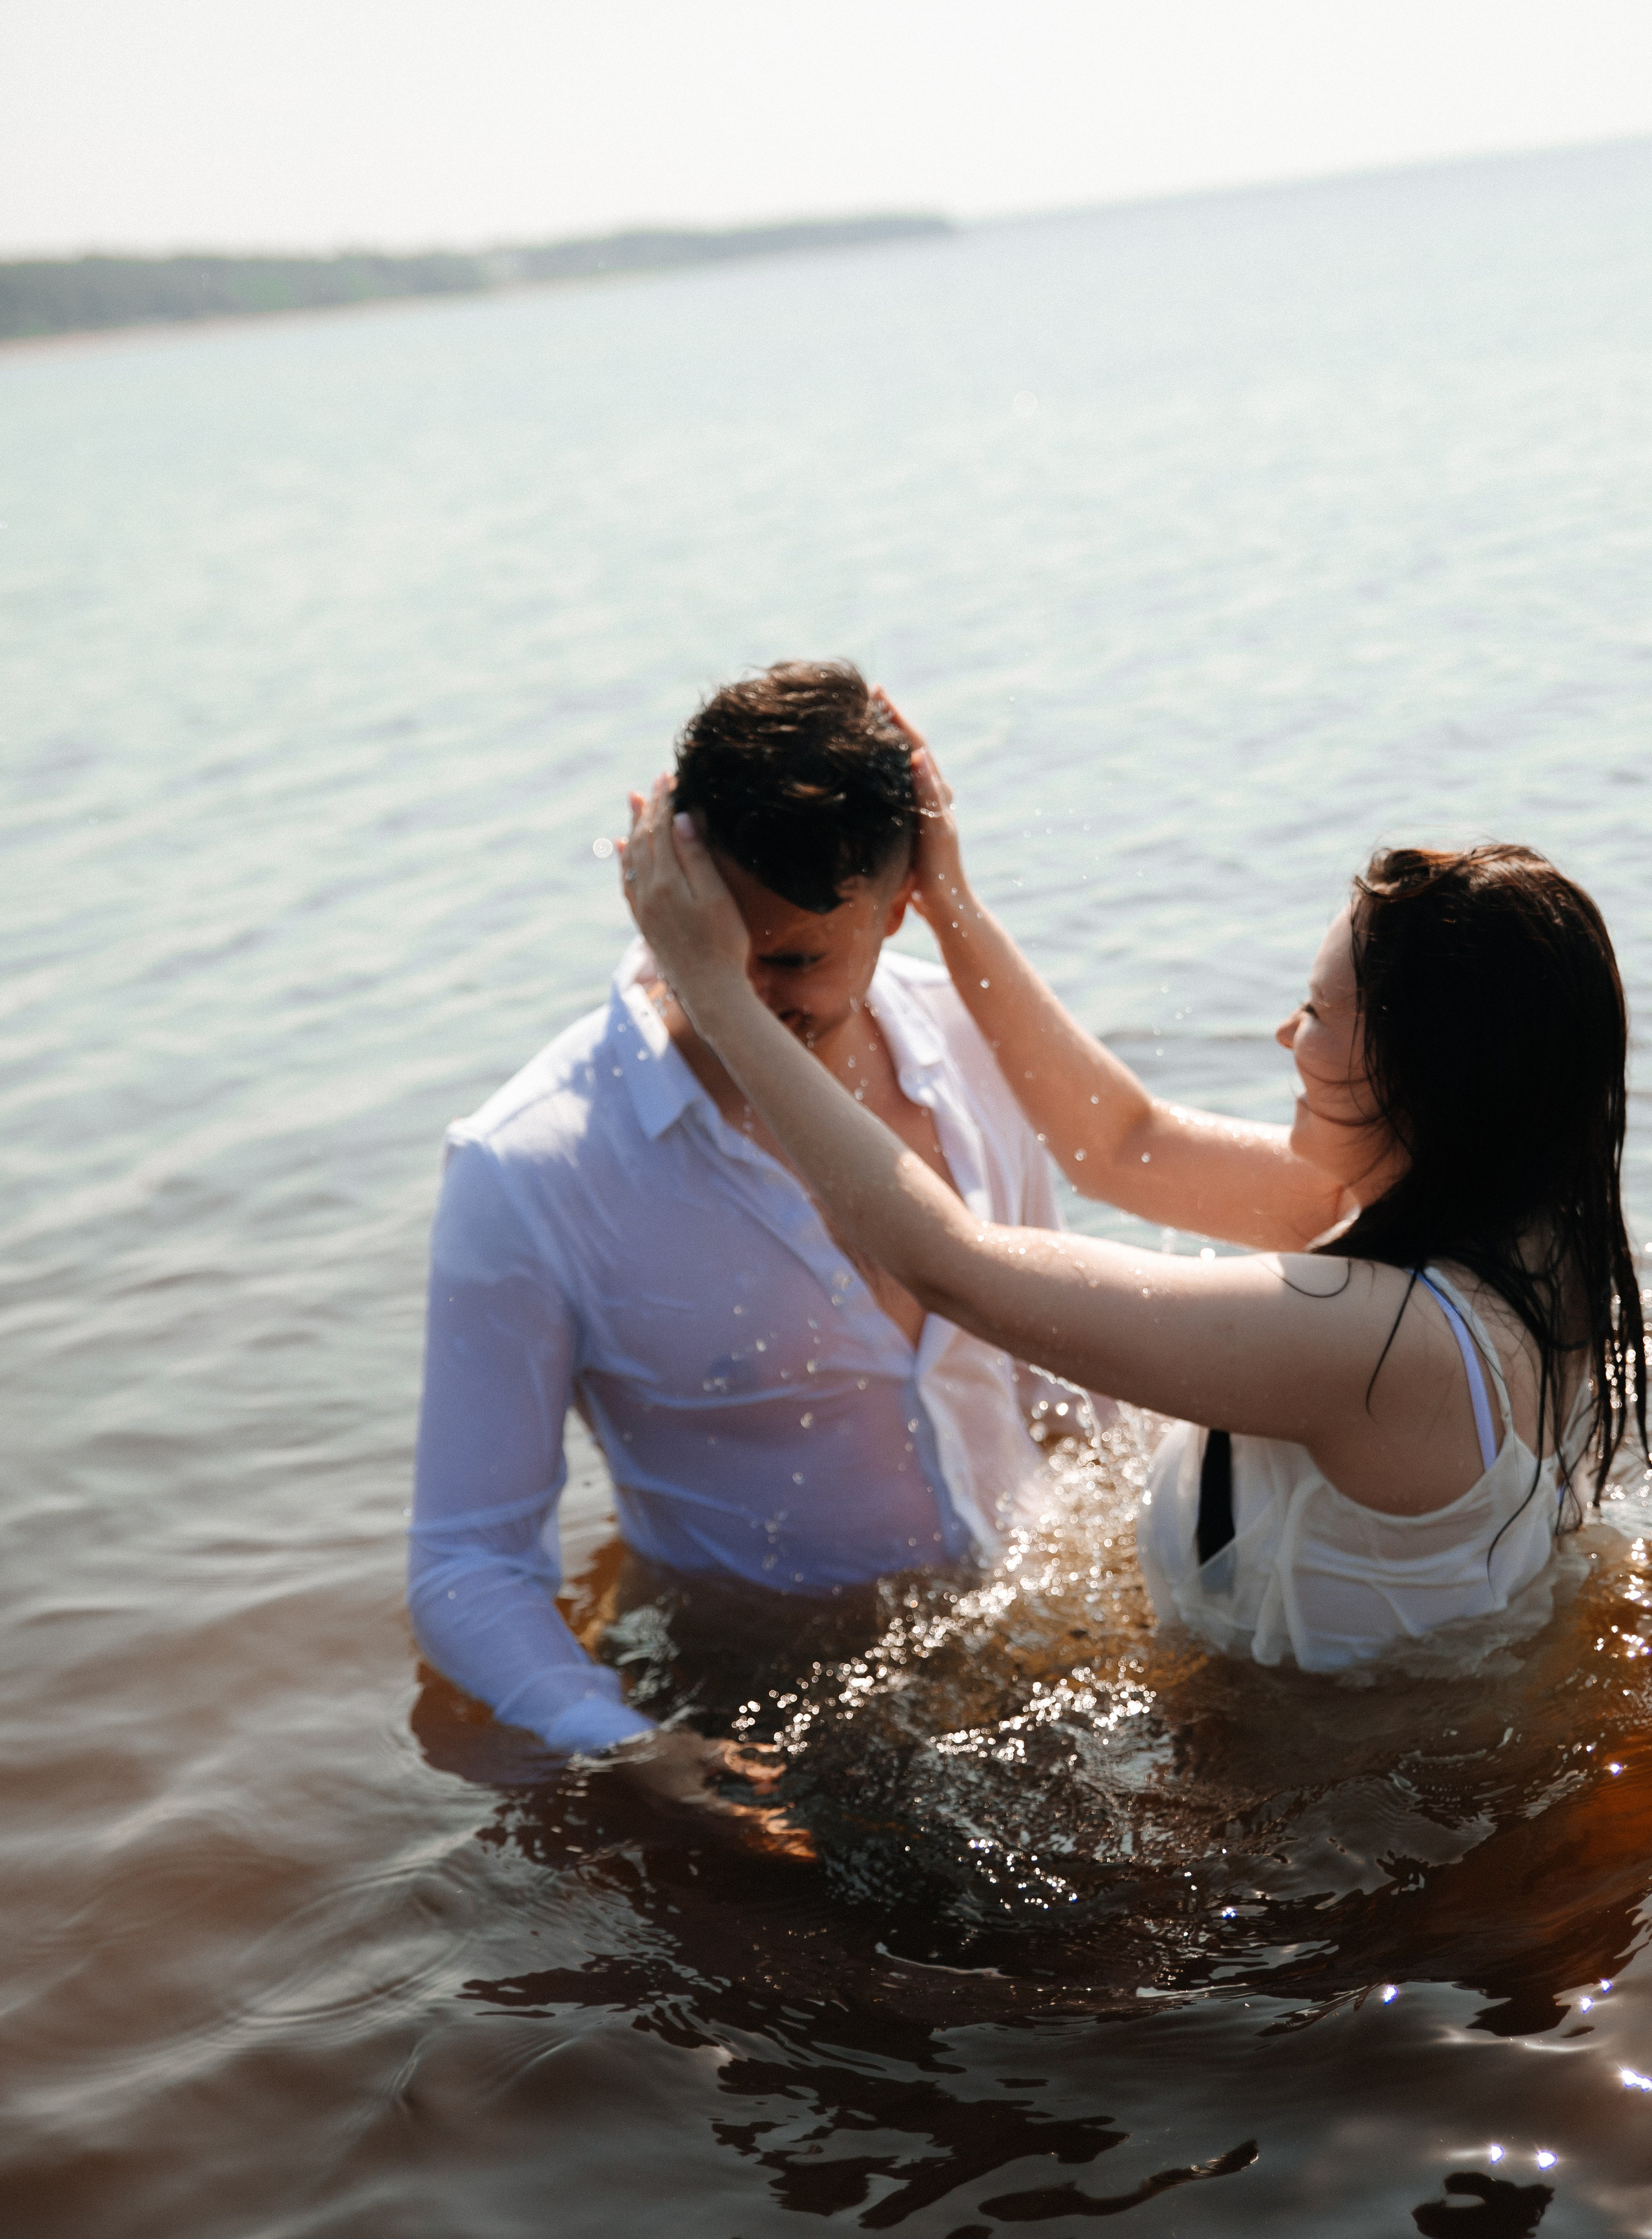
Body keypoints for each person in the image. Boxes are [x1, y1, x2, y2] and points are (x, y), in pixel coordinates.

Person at [622, 704, 1646, 1674]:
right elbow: (1120, 1143)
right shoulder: (1523, 1232)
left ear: (1419, 1071)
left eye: (1315, 1009)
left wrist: (712, 987)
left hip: (1302, 1820)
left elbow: (951, 1268)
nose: (1285, 1034)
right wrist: (950, 904)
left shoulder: (1379, 1344)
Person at [408, 662, 1096, 1824]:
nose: (733, 990)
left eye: (787, 962)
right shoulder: (528, 1167)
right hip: (768, 1698)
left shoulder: (984, 1046)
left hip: (1046, 1632)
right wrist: (624, 1742)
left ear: (895, 906)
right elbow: (464, 1564)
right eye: (711, 943)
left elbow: (1067, 1363)